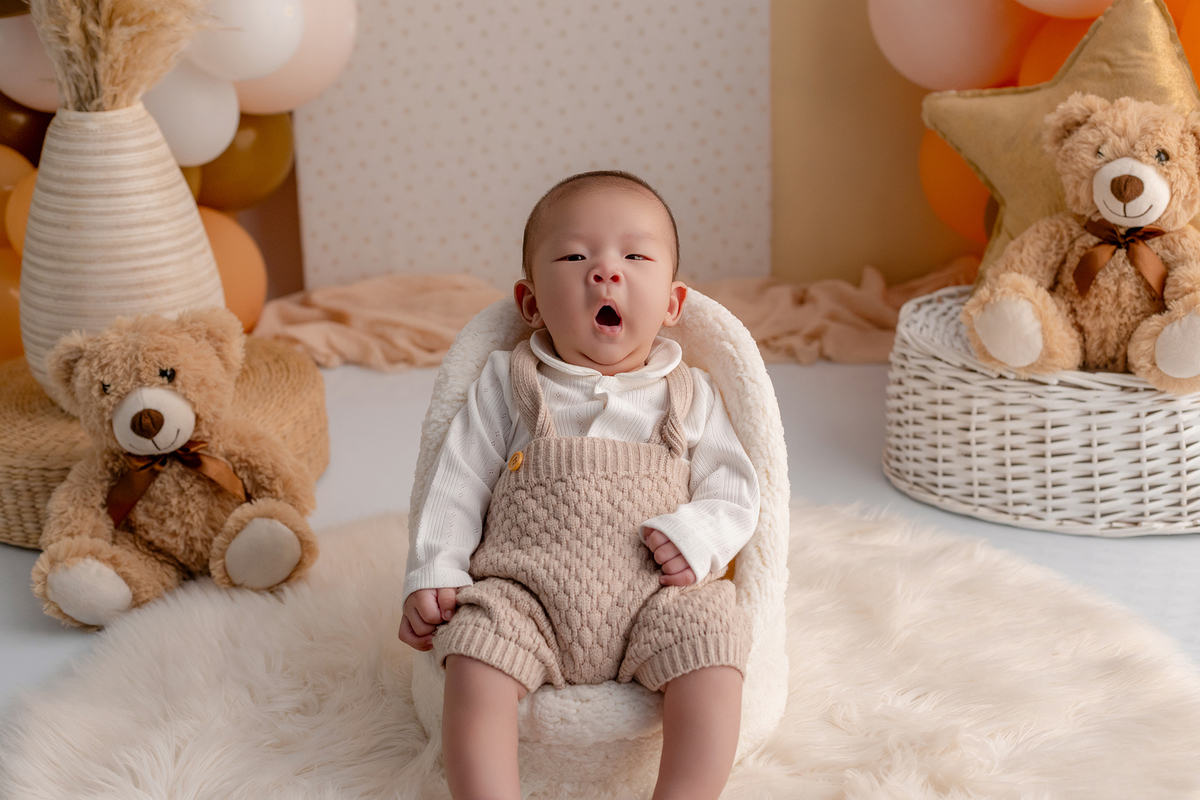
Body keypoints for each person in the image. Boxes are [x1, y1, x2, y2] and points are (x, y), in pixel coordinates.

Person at [398, 170, 760, 800]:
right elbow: (454, 480)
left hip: (655, 597)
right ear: (532, 302)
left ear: (673, 304)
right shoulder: (508, 384)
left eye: (635, 255)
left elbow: (736, 490)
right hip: (525, 593)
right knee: (474, 658)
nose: (605, 271)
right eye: (574, 256)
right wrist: (436, 568)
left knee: (716, 642)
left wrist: (697, 535)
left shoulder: (688, 394)